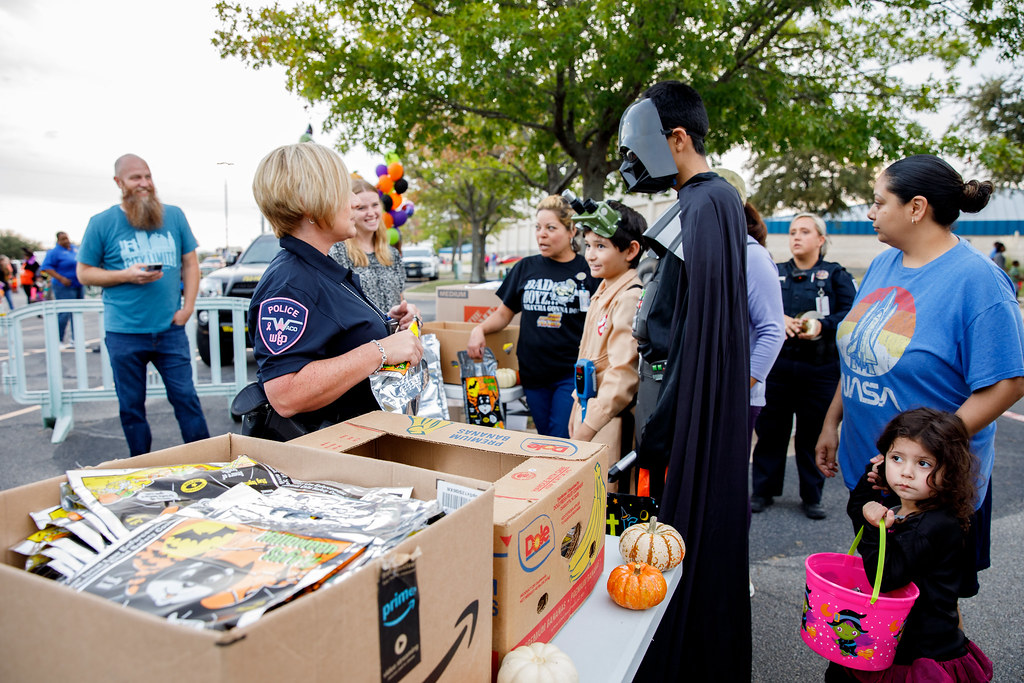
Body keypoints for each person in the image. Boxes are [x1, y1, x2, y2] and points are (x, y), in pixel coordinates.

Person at [817, 154, 1024, 596]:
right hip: (874, 475)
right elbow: (859, 352)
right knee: (881, 595)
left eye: (878, 202)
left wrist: (927, 445)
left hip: (928, 485)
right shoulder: (882, 264)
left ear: (916, 207)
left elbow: (1009, 382)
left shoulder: (978, 280)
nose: (871, 213)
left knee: (930, 612)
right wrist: (832, 421)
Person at [619, 81, 751, 679]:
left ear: (677, 139)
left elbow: (699, 330)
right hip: (701, 401)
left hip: (696, 405)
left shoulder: (704, 202)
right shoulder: (713, 200)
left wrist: (665, 424)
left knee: (691, 536)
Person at [247, 143, 422, 435]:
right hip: (331, 454)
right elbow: (286, 394)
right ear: (309, 201)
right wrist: (380, 350)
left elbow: (333, 339)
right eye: (344, 191)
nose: (354, 203)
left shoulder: (317, 268)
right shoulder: (291, 283)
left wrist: (389, 326)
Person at [825, 408, 993, 682]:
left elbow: (887, 574)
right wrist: (872, 475)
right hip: (894, 637)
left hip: (919, 653)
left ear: (950, 468)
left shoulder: (932, 526)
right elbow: (858, 510)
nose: (906, 473)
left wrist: (871, 526)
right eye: (896, 458)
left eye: (923, 464)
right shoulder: (909, 508)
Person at [77, 154, 209, 457]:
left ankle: (210, 463)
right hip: (124, 333)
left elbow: (191, 263)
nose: (145, 184)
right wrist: (126, 275)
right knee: (132, 407)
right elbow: (84, 273)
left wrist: (187, 308)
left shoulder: (173, 216)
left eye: (148, 176)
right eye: (136, 178)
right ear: (119, 182)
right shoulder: (102, 223)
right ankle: (141, 467)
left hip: (170, 329)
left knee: (186, 399)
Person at [751, 213, 856, 520]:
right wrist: (779, 320)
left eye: (805, 231)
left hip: (820, 370)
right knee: (770, 431)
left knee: (812, 434)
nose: (796, 236)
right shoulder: (775, 271)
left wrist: (823, 325)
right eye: (793, 231)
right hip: (779, 368)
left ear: (820, 240)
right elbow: (756, 309)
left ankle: (812, 495)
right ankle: (762, 491)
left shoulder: (836, 275)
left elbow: (852, 315)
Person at [467, 195, 598, 438]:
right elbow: (504, 313)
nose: (542, 234)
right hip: (533, 373)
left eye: (551, 228)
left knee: (560, 437)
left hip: (569, 374)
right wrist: (479, 330)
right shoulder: (525, 267)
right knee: (544, 435)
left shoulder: (588, 270)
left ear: (572, 231)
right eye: (538, 228)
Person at [713, 167, 785, 448]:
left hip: (735, 399)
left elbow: (772, 330)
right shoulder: (709, 250)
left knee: (723, 487)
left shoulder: (751, 256)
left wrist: (740, 388)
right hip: (705, 394)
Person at [566, 199, 645, 444]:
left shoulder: (629, 297)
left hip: (610, 421)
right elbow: (587, 356)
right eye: (587, 245)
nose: (590, 255)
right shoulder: (603, 290)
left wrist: (587, 428)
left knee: (605, 482)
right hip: (589, 409)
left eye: (601, 246)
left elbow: (623, 373)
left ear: (631, 250)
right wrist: (576, 406)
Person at [328, 177, 406, 312]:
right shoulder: (338, 253)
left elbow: (400, 298)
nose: (371, 213)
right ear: (349, 210)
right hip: (363, 333)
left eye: (375, 205)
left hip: (396, 332)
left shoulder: (392, 254)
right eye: (362, 208)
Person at [41, 231, 85, 345]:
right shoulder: (54, 252)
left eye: (67, 238)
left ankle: (76, 339)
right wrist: (61, 278)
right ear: (58, 240)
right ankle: (58, 340)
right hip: (63, 286)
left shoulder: (75, 249)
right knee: (64, 313)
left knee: (78, 312)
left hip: (78, 284)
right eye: (63, 239)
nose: (66, 241)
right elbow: (46, 267)